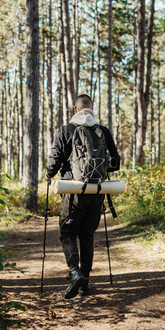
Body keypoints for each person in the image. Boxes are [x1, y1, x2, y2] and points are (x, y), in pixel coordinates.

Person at [45, 94, 120, 299]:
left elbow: (55, 160)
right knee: (87, 236)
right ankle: (85, 283)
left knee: (68, 233)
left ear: (75, 110)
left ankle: (74, 272)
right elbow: (116, 163)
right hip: (97, 192)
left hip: (72, 191)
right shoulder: (102, 131)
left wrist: (48, 174)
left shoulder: (65, 130)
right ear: (92, 109)